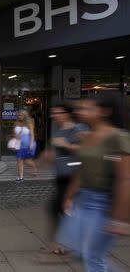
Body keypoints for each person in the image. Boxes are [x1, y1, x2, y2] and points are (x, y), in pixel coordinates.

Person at [56, 93, 130, 271]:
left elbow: (125, 178)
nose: (81, 111)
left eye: (88, 108)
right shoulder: (86, 135)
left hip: (103, 203)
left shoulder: (117, 137)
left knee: (93, 257)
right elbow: (82, 169)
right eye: (81, 107)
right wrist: (69, 197)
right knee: (81, 252)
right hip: (83, 200)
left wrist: (119, 219)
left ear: (104, 111)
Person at [44, 103, 87, 255]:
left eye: (57, 112)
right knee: (66, 209)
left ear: (67, 113)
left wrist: (67, 145)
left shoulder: (79, 129)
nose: (54, 116)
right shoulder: (56, 128)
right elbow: (54, 150)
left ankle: (64, 243)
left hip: (74, 177)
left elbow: (87, 148)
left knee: (58, 208)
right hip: (60, 176)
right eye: (52, 113)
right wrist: (49, 156)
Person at [14, 110, 37, 182]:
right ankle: (21, 177)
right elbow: (15, 133)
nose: (19, 116)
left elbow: (32, 135)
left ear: (25, 116)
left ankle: (34, 168)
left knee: (27, 161)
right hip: (19, 145)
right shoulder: (16, 123)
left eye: (21, 115)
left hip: (28, 144)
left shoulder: (29, 123)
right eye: (19, 115)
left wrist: (31, 144)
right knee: (19, 160)